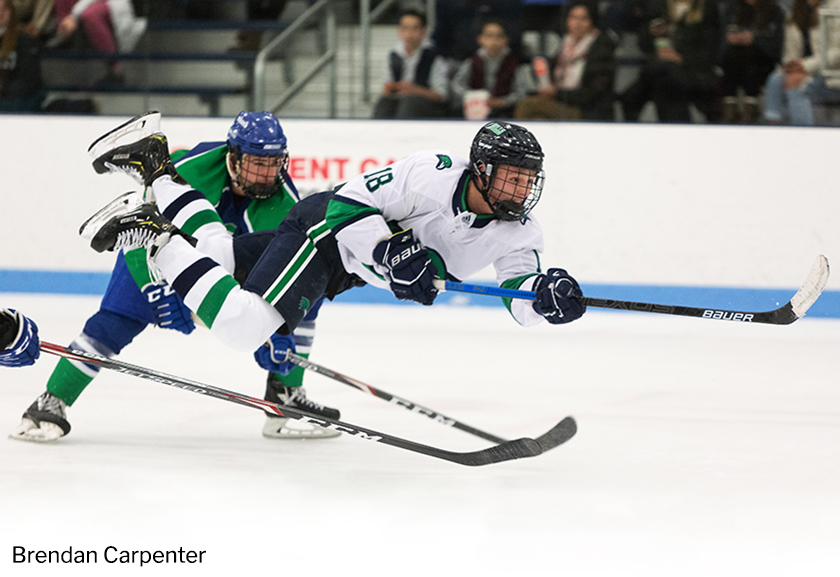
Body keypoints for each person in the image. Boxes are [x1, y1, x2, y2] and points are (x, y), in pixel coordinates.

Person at [78, 120, 587, 379]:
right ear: (481, 169)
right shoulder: (430, 172)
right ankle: (158, 234)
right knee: (241, 327)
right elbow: (347, 201)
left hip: (344, 267)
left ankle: (155, 169)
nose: (522, 191)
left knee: (217, 253)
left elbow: (519, 297)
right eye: (513, 177)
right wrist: (389, 250)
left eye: (529, 180)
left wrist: (544, 296)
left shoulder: (522, 232)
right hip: (325, 234)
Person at [11, 110, 340, 443]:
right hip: (157, 249)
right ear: (234, 156)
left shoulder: (285, 204)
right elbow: (137, 227)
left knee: (307, 296)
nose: (267, 174)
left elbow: (286, 275)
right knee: (110, 326)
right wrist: (154, 287)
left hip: (231, 258)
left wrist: (276, 330)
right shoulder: (188, 168)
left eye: (274, 163)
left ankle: (285, 393)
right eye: (258, 163)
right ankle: (51, 403)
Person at [618, 0, 722, 123]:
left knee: (665, 84)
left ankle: (674, 131)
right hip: (660, 68)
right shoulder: (659, 4)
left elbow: (710, 49)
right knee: (632, 96)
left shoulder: (706, 7)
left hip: (694, 72)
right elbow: (644, 45)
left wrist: (680, 58)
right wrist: (652, 33)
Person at [515, 1, 617, 121]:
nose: (577, 23)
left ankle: (515, 139)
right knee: (538, 116)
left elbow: (594, 92)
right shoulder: (565, 44)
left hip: (586, 110)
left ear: (592, 21)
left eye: (583, 18)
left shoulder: (601, 47)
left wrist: (558, 94)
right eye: (573, 17)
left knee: (528, 105)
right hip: (561, 103)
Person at [763, 0, 840, 125]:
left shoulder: (836, 8)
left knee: (798, 86)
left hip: (830, 74)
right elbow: (790, 52)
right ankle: (772, 132)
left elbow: (837, 53)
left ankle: (803, 135)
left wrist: (805, 66)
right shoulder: (795, 11)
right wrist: (791, 67)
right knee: (775, 80)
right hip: (802, 68)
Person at [372, 8, 450, 119]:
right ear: (399, 31)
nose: (409, 33)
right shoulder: (393, 55)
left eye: (415, 28)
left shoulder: (434, 56)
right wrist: (391, 88)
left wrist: (414, 90)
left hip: (429, 107)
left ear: (423, 31)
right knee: (384, 102)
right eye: (405, 28)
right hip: (401, 101)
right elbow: (387, 87)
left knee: (409, 101)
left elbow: (442, 96)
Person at [450, 17, 532, 119]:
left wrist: (502, 102)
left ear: (505, 40)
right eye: (489, 36)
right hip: (474, 109)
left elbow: (521, 92)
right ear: (480, 39)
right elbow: (457, 85)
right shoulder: (472, 62)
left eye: (499, 36)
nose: (494, 41)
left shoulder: (514, 64)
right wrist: (473, 97)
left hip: (505, 112)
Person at [51, 0, 146, 86]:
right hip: (80, 11)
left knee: (90, 15)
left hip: (110, 4)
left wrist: (74, 16)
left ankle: (115, 70)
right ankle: (59, 34)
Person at [719, 0, 785, 123]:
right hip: (734, 60)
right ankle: (731, 104)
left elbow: (777, 46)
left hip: (764, 62)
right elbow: (719, 39)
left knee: (750, 53)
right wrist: (729, 39)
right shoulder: (731, 8)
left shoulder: (775, 11)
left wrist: (755, 39)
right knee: (733, 53)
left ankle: (747, 104)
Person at [0, 0, 44, 112]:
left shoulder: (24, 40)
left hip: (20, 100)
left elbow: (28, 80)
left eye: (4, 9)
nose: (0, 13)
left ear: (11, 12)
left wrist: (3, 91)